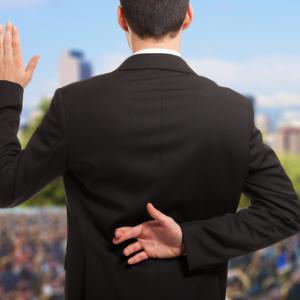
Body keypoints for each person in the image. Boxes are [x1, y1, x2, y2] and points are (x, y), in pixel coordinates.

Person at [0, 1, 300, 299]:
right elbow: (284, 211)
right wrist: (187, 240)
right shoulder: (232, 111)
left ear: (121, 17)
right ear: (188, 17)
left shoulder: (75, 104)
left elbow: (6, 187)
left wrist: (9, 93)